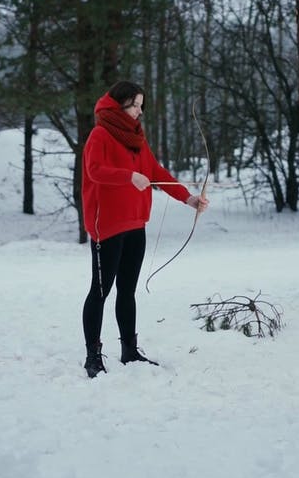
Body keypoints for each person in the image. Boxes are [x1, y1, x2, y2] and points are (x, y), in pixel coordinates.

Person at [81, 80, 208, 378]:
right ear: (119, 105)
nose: (140, 111)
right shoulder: (99, 135)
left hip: (135, 225)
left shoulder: (136, 138)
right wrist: (129, 177)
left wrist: (188, 198)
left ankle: (129, 351)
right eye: (135, 105)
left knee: (127, 291)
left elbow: (156, 173)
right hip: (107, 227)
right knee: (100, 291)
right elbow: (94, 171)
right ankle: (92, 356)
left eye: (141, 105)